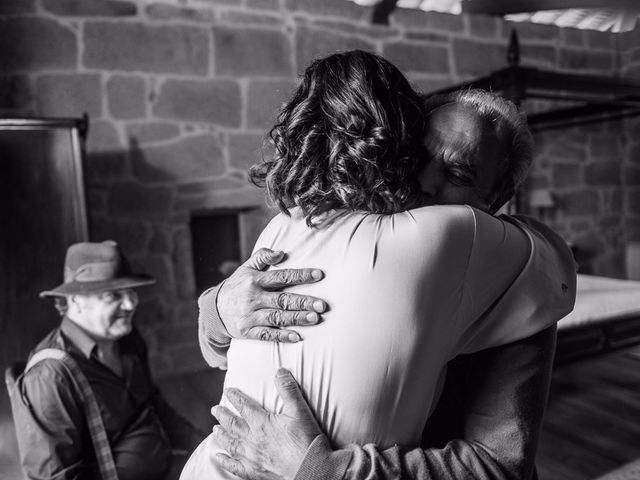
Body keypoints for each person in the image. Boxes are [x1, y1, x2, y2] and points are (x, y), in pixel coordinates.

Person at [180, 51, 576, 479]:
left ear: (494, 203)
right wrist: (219, 307)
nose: (425, 181)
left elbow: (498, 468)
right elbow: (221, 350)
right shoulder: (329, 222)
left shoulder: (513, 289)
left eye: (458, 174)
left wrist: (320, 469)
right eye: (420, 156)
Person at [17, 241, 205, 480]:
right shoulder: (51, 375)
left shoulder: (127, 338)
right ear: (75, 300)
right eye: (114, 295)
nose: (130, 303)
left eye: (132, 291)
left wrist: (205, 449)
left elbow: (154, 403)